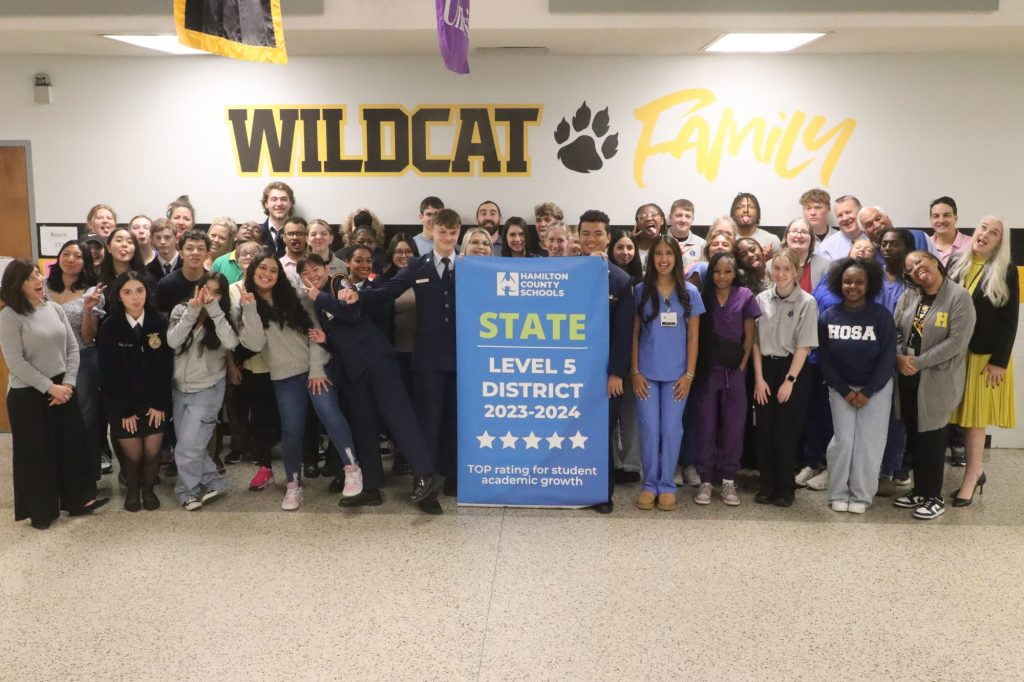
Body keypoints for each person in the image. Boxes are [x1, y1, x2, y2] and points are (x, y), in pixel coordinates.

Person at [299, 258, 445, 513]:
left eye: (315, 269)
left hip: (377, 361)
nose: (311, 275)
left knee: (400, 418)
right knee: (363, 427)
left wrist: (318, 297)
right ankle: (371, 487)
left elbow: (351, 311)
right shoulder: (319, 304)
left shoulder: (337, 283)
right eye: (305, 273)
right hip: (353, 372)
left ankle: (425, 476)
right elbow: (344, 334)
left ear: (327, 269)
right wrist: (326, 341)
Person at [238, 254, 362, 510]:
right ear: (252, 272)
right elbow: (254, 344)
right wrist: (249, 309)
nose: (267, 273)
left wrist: (316, 368)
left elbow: (316, 335)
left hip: (315, 368)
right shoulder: (247, 304)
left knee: (329, 413)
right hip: (284, 375)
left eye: (273, 270)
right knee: (292, 430)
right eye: (262, 268)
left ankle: (352, 468)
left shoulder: (296, 296)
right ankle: (293, 485)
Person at [354, 208, 462, 496]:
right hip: (426, 358)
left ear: (458, 233)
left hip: (462, 358)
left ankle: (452, 477)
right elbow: (387, 291)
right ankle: (424, 477)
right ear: (432, 231)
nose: (448, 238)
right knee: (428, 421)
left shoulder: (469, 265)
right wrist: (357, 295)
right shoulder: (418, 266)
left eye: (453, 233)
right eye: (443, 232)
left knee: (454, 420)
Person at [0, 260, 108, 529]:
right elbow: (16, 362)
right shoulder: (9, 316)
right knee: (37, 453)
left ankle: (78, 500)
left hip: (63, 388)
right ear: (17, 285)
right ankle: (42, 510)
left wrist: (68, 384)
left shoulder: (54, 309)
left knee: (71, 445)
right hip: (29, 392)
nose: (38, 280)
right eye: (30, 277)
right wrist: (50, 387)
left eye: (38, 274)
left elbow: (73, 349)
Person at [893, 250, 975, 520]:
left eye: (919, 261)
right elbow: (895, 329)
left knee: (932, 437)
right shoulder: (910, 296)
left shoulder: (958, 296)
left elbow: (956, 342)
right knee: (914, 435)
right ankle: (919, 490)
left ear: (936, 262)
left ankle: (933, 497)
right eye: (910, 267)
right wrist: (899, 356)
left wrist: (919, 362)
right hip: (908, 375)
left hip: (937, 379)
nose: (916, 268)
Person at [817, 258, 897, 513]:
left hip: (876, 391)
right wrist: (844, 390)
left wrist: (868, 391)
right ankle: (838, 492)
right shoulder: (829, 316)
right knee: (843, 442)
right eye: (847, 281)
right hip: (841, 391)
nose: (853, 286)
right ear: (839, 283)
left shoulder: (881, 317)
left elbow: (887, 358)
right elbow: (825, 358)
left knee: (869, 443)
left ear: (869, 284)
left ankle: (862, 496)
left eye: (859, 282)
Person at [948, 216, 1017, 507]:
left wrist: (1000, 361)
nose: (986, 234)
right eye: (983, 228)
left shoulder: (1005, 270)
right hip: (955, 354)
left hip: (985, 358)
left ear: (1000, 242)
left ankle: (972, 474)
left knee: (975, 420)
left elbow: (1010, 319)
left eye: (994, 232)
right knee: (962, 417)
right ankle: (978, 471)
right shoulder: (955, 263)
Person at [630, 236, 703, 511]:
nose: (663, 259)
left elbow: (694, 338)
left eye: (668, 253)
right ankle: (649, 484)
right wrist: (635, 371)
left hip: (677, 376)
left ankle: (667, 485)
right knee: (650, 430)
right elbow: (634, 334)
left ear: (676, 257)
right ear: (652, 259)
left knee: (672, 430)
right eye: (658, 253)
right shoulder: (640, 291)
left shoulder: (689, 293)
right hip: (645, 374)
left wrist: (689, 375)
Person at [96, 271, 173, 512]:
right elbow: (110, 373)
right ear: (119, 297)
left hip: (154, 399)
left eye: (139, 291)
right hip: (121, 401)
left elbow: (165, 366)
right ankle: (132, 489)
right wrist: (125, 409)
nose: (135, 297)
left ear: (147, 293)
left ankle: (148, 490)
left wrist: (159, 403)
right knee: (133, 456)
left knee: (151, 453)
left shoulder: (159, 321)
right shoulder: (110, 326)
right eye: (127, 292)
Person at [690, 252, 760, 506]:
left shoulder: (745, 296)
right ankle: (706, 480)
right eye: (717, 271)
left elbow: (750, 335)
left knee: (733, 427)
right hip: (707, 371)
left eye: (727, 271)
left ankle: (729, 480)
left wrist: (741, 367)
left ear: (735, 273)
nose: (722, 276)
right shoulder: (702, 296)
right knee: (706, 425)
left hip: (735, 373)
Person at [578, 211, 636, 514]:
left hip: (603, 375)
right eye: (585, 233)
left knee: (601, 432)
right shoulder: (564, 271)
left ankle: (603, 494)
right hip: (568, 373)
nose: (591, 239)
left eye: (597, 233)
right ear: (578, 236)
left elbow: (624, 334)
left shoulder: (622, 280)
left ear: (607, 237)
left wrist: (616, 373)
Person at [752, 247, 818, 507]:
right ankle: (766, 485)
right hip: (764, 371)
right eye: (776, 268)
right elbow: (755, 342)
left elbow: (804, 346)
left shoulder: (807, 302)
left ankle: (785, 487)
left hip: (793, 371)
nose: (780, 274)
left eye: (786, 269)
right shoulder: (761, 299)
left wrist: (789, 381)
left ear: (796, 272)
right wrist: (758, 379)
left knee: (785, 433)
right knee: (764, 432)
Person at [167, 273, 237, 510]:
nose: (209, 295)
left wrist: (215, 311)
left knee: (187, 447)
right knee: (192, 445)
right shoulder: (181, 309)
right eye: (206, 289)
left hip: (208, 388)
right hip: (179, 388)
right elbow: (172, 341)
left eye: (216, 292)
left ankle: (186, 491)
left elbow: (231, 342)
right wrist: (192, 312)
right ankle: (214, 480)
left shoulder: (224, 315)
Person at [45, 240, 105, 477]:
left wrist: (88, 309)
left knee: (86, 418)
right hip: (47, 361)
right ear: (58, 257)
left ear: (85, 262)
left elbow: (89, 337)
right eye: (66, 254)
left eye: (77, 256)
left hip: (82, 359)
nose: (71, 259)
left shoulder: (92, 292)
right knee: (52, 418)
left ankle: (88, 475)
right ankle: (57, 474)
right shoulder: (41, 287)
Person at [607, 230, 643, 484]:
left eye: (630, 248)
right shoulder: (608, 277)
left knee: (630, 416)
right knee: (610, 418)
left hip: (635, 357)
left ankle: (630, 465)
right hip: (611, 357)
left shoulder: (640, 282)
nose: (625, 252)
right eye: (620, 247)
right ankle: (614, 463)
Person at [155, 229, 211, 313]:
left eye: (200, 249)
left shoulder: (213, 282)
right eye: (189, 248)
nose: (195, 252)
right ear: (181, 253)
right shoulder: (166, 284)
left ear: (207, 255)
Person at [773, 218, 829, 294]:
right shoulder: (771, 265)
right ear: (786, 237)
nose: (798, 235)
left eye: (804, 232)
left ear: (811, 239)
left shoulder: (825, 266)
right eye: (794, 231)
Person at [730, 192, 780, 260]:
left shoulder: (772, 240)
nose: (745, 210)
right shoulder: (727, 240)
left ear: (757, 213)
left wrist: (770, 259)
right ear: (733, 214)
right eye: (740, 207)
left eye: (751, 207)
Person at [817, 195, 864, 262]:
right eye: (840, 215)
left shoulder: (874, 239)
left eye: (848, 212)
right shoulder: (827, 247)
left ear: (860, 211)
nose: (844, 218)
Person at [930, 196, 971, 266]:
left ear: (956, 218)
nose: (941, 220)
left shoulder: (972, 245)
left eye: (946, 215)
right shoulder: (924, 244)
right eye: (936, 216)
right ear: (931, 220)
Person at [259, 181, 295, 256]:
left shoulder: (301, 233)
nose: (279, 204)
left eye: (284, 199)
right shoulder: (257, 233)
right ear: (266, 204)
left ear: (291, 203)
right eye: (274, 199)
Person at [667, 198, 705, 265]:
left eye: (687, 216)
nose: (683, 220)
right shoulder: (659, 242)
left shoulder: (702, 245)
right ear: (670, 217)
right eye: (679, 215)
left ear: (692, 219)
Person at [632, 203, 665, 270]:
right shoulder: (629, 248)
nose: (649, 219)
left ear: (662, 221)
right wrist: (629, 240)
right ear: (637, 224)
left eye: (654, 215)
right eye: (643, 216)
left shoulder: (669, 247)